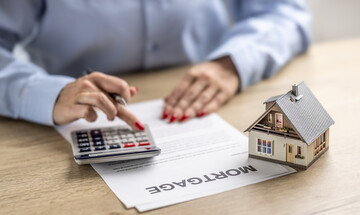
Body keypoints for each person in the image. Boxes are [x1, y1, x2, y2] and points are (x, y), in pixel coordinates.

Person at [0, 0, 311, 130]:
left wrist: (232, 64)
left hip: (220, 108)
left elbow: (285, 11)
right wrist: (47, 93)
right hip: (75, 122)